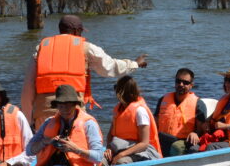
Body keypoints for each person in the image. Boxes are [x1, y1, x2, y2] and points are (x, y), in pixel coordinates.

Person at [20, 14, 149, 129]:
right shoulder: (86, 48)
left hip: (44, 114)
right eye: (81, 31)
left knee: (46, 148)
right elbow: (110, 67)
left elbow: (28, 89)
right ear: (76, 31)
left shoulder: (40, 49)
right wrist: (135, 64)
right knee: (76, 146)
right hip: (73, 113)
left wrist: (28, 121)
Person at [27, 84, 105, 166]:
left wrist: (76, 149)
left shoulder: (88, 123)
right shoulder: (48, 122)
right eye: (61, 106)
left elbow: (98, 157)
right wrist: (45, 142)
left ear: (75, 105)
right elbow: (29, 151)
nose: (65, 109)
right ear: (57, 106)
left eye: (68, 105)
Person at [105, 75, 162, 164]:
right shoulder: (118, 110)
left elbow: (144, 143)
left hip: (142, 151)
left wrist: (121, 154)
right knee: (100, 160)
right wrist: (109, 148)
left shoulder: (140, 111)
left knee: (121, 161)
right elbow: (110, 135)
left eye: (117, 88)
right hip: (120, 147)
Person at [154, 68, 208, 156]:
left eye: (185, 82)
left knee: (176, 147)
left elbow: (201, 130)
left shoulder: (198, 104)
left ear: (191, 85)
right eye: (178, 81)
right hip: (162, 138)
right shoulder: (163, 100)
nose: (181, 84)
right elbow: (155, 123)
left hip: (183, 141)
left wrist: (195, 134)